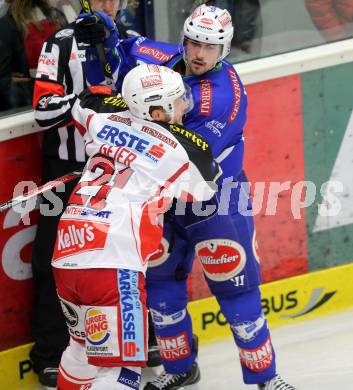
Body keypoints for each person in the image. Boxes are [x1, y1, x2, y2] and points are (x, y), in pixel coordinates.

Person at [75, 4, 298, 389]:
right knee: (161, 291)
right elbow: (124, 50)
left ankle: (266, 378)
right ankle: (180, 369)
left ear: (224, 49)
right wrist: (105, 32)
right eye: (194, 42)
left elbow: (182, 155)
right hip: (163, 202)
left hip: (215, 202)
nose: (198, 53)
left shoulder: (224, 98)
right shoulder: (161, 56)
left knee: (237, 291)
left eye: (210, 47)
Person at [52, 63, 220, 389]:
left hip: (68, 251)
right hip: (113, 264)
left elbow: (85, 102)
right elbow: (205, 187)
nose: (184, 105)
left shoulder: (101, 119)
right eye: (177, 100)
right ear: (157, 111)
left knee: (81, 350)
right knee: (123, 372)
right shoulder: (180, 149)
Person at [31, 0, 131, 387]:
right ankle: (50, 351)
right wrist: (87, 103)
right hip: (66, 170)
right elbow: (43, 110)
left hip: (120, 170)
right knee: (52, 259)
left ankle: (143, 338)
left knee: (127, 254)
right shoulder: (59, 42)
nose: (107, 2)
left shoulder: (135, 43)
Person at [0, 0, 65, 112]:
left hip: (32, 106)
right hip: (58, 98)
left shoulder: (8, 24)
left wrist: (6, 80)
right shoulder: (56, 16)